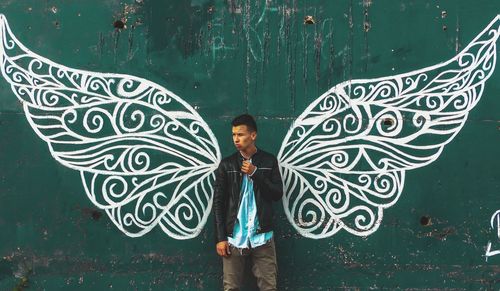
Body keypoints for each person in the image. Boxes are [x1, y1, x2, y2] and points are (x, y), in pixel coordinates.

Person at [213, 114, 283, 291]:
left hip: (262, 238)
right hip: (234, 238)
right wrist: (221, 238)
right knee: (231, 288)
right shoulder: (227, 165)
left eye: (241, 134)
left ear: (253, 135)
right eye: (234, 135)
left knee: (269, 287)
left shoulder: (268, 161)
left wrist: (255, 173)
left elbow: (276, 194)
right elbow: (219, 203)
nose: (236, 139)